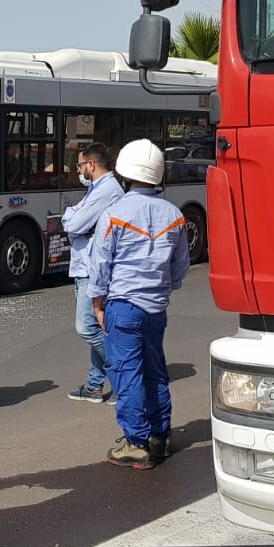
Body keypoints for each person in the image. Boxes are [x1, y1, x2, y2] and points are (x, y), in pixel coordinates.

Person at [88, 139, 189, 469]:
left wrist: (97, 304)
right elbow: (179, 268)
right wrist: (162, 288)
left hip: (123, 306)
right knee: (156, 371)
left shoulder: (114, 215)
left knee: (127, 374)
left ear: (124, 173)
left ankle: (136, 442)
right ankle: (160, 435)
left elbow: (100, 265)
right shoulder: (174, 216)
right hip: (155, 309)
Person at [59, 143, 123, 403]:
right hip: (84, 264)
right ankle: (95, 386)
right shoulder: (97, 188)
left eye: (79, 165)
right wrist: (74, 218)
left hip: (93, 267)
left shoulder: (107, 189)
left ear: (91, 165)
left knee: (86, 327)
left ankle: (122, 370)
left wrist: (72, 217)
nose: (78, 170)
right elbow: (75, 222)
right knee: (97, 325)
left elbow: (73, 223)